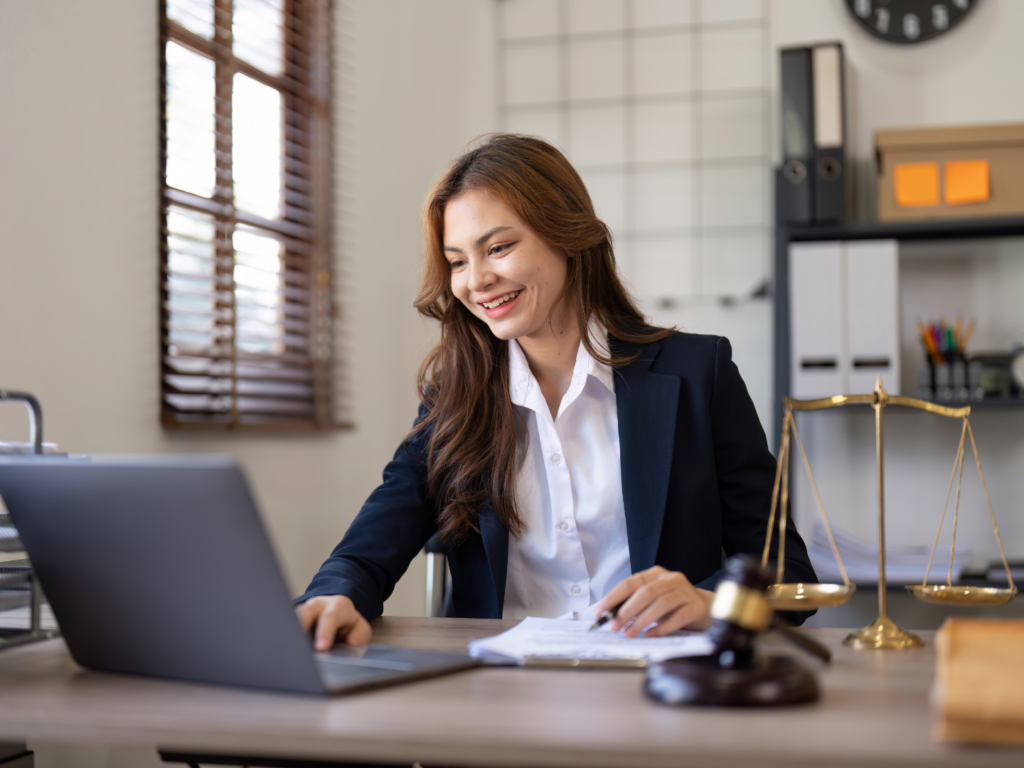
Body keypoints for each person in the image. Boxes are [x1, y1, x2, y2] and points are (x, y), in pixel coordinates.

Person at [296, 134, 816, 650]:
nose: (476, 280)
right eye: (457, 261)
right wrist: (336, 596)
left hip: (658, 686)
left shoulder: (700, 372)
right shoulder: (454, 399)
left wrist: (710, 604)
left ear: (566, 235)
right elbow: (368, 548)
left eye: (498, 247)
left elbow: (788, 575)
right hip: (499, 692)